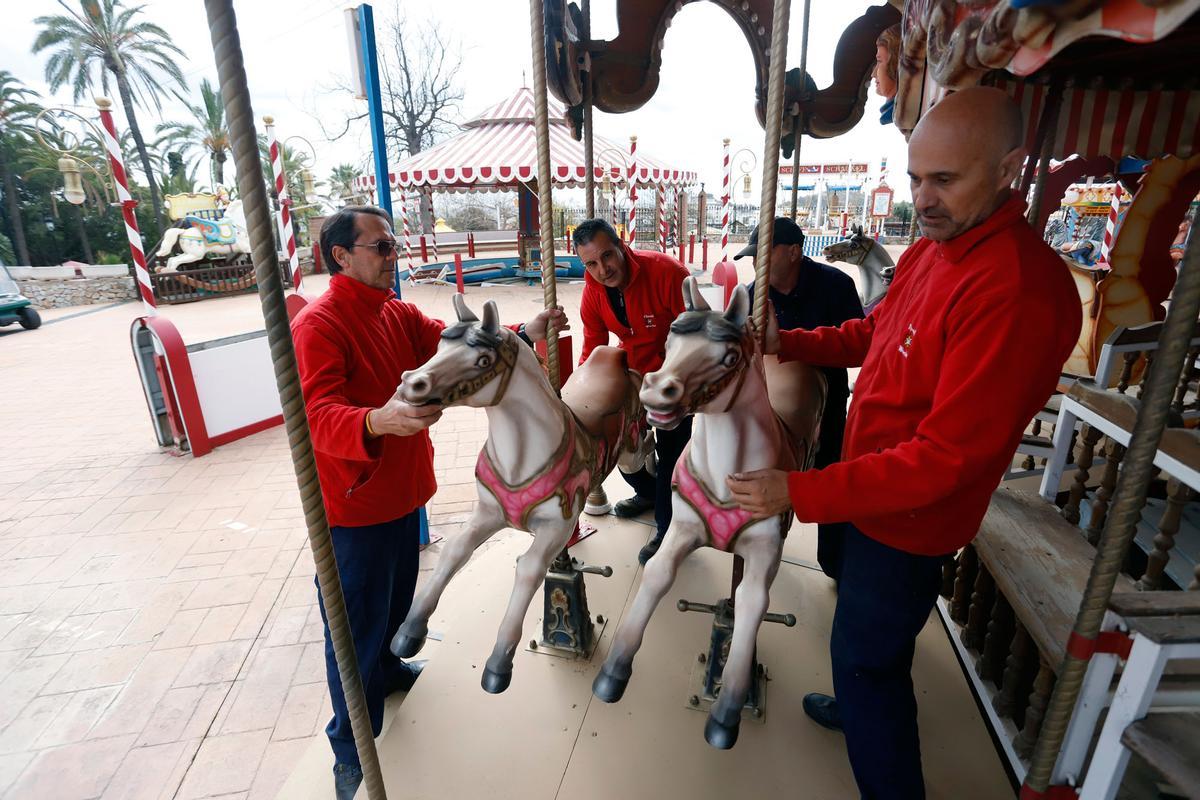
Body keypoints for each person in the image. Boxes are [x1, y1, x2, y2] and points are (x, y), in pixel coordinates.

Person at [726, 87, 1082, 799]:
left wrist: (802, 490)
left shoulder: (1016, 290)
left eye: (944, 180)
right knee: (858, 639)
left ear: (1010, 168)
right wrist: (788, 339)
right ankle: (855, 701)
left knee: (870, 663)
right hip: (867, 487)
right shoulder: (935, 246)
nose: (923, 197)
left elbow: (945, 459)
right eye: (917, 177)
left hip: (909, 519)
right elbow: (871, 333)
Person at [291, 206, 564, 800]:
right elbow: (314, 417)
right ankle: (350, 742)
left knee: (391, 602)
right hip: (355, 503)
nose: (394, 256)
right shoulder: (320, 325)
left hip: (402, 492)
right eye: (382, 247)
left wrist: (522, 336)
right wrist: (377, 420)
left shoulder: (396, 310)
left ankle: (389, 672)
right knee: (354, 627)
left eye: (393, 246)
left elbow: (458, 353)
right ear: (341, 256)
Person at [737, 217, 865, 581]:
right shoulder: (752, 296)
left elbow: (858, 348)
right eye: (753, 257)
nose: (756, 265)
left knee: (831, 470)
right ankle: (755, 543)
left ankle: (836, 561)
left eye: (764, 254)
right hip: (771, 402)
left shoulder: (836, 286)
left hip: (825, 395)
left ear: (794, 252)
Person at [574, 218, 691, 564]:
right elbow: (593, 347)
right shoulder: (592, 292)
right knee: (624, 451)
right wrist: (583, 393)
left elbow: (695, 334)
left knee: (671, 454)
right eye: (591, 263)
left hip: (674, 379)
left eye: (607, 256)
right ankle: (649, 493)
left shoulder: (667, 272)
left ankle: (667, 528)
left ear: (622, 244)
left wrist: (674, 378)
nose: (602, 269)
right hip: (633, 378)